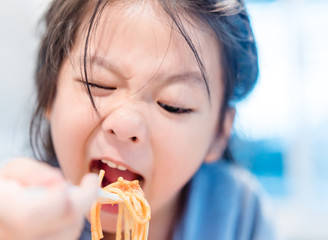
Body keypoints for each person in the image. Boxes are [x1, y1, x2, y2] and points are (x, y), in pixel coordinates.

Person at [0, 0, 276, 239]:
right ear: (50, 92)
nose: (124, 123)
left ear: (218, 134)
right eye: (98, 82)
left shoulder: (238, 214)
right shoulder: (18, 212)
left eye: (173, 105)